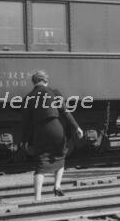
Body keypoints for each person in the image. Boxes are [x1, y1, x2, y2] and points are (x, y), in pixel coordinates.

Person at [21, 70, 83, 201]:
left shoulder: (29, 97)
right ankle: (57, 186)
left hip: (40, 130)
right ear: (46, 81)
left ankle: (37, 198)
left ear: (34, 82)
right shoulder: (54, 92)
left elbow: (25, 122)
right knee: (60, 156)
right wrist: (76, 127)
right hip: (56, 128)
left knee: (41, 163)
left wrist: (24, 140)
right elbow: (66, 112)